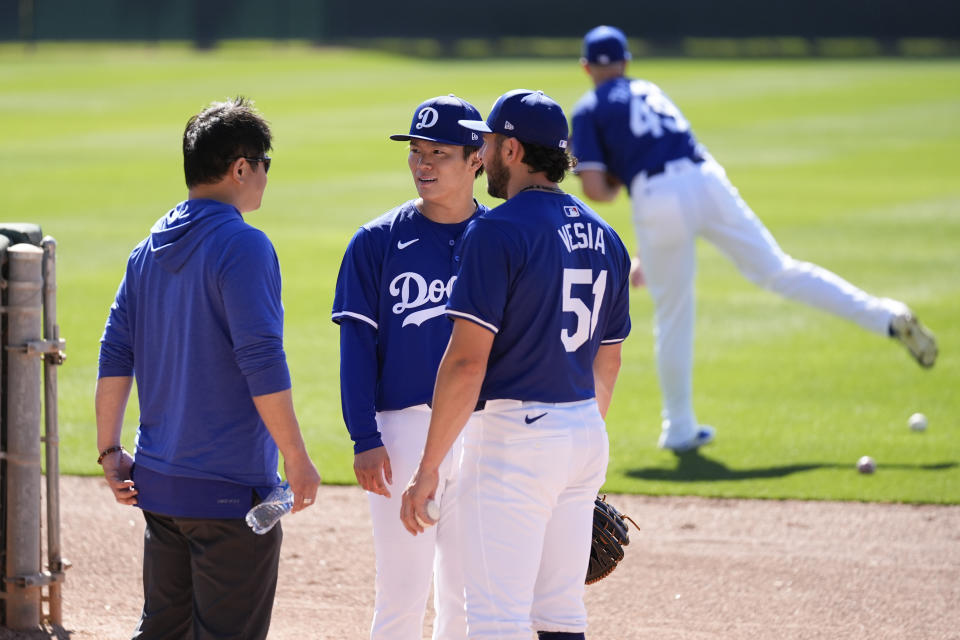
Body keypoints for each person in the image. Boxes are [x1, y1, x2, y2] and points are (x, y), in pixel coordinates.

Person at [570, 25, 940, 453]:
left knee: (674, 313)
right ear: (627, 63)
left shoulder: (589, 106)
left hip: (656, 197)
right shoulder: (649, 90)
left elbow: (598, 190)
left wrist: (617, 181)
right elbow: (664, 150)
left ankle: (679, 427)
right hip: (706, 177)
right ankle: (886, 316)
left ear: (585, 68)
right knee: (779, 270)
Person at [400, 89, 632, 640]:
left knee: (496, 620)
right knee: (560, 615)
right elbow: (610, 360)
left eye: (487, 140)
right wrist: (575, 441)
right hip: (583, 435)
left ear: (511, 149)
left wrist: (428, 467)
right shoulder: (607, 237)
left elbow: (464, 364)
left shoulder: (497, 230)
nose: (479, 149)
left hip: (514, 444)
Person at [96, 96, 322, 640]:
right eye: (265, 161)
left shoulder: (146, 248)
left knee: (163, 631)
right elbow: (261, 360)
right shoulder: (243, 245)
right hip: (228, 491)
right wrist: (296, 457)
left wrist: (109, 452)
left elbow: (114, 352)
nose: (267, 175)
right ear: (241, 167)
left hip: (160, 484)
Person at [331, 94, 488, 640]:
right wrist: (362, 436)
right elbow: (355, 349)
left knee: (467, 596)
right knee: (401, 593)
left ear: (477, 158)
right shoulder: (376, 241)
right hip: (400, 432)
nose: (423, 164)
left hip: (482, 429)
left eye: (439, 153)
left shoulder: (499, 239)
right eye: (416, 151)